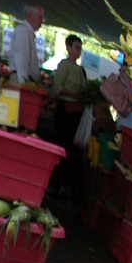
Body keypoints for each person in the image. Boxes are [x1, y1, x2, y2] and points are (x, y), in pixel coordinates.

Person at [51, 34, 88, 199]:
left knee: (72, 151)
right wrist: (74, 94)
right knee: (60, 146)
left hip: (76, 113)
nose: (78, 51)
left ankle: (65, 186)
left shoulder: (81, 70)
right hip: (64, 110)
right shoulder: (64, 65)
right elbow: (58, 87)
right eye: (76, 47)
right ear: (68, 47)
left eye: (80, 48)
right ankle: (54, 184)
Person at [8, 3, 44, 84]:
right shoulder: (23, 31)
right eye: (40, 17)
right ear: (31, 15)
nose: (42, 21)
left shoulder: (28, 33)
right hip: (21, 79)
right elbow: (21, 59)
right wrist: (24, 84)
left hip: (25, 79)